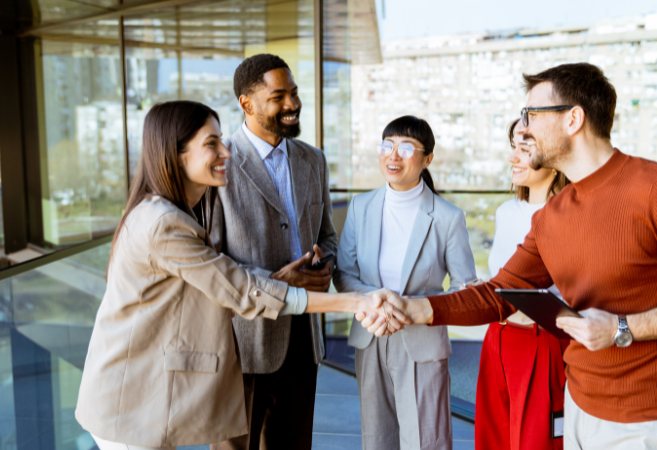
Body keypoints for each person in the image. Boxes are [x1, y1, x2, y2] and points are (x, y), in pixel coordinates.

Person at [361, 63, 657, 450]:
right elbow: (498, 292)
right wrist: (413, 308)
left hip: (647, 417)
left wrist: (622, 328)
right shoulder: (553, 216)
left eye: (531, 114)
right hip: (578, 404)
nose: (524, 128)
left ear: (573, 119)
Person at [75, 101, 390, 450]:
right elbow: (238, 287)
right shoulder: (164, 224)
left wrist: (283, 281)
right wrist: (355, 301)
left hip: (137, 397)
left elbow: (227, 280)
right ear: (175, 154)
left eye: (222, 140)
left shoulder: (167, 214)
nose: (226, 151)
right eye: (211, 143)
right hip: (130, 403)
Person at [209, 54, 336, 450]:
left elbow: (328, 235)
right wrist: (280, 281)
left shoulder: (313, 160)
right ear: (246, 104)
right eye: (278, 95)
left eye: (294, 93)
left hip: (303, 336)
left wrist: (324, 264)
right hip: (241, 341)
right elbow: (212, 261)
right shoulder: (218, 164)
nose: (292, 104)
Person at [334, 115, 477, 450]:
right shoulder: (361, 206)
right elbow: (343, 272)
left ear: (427, 159)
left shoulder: (447, 216)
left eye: (406, 147)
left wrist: (417, 310)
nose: (393, 155)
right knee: (377, 438)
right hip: (370, 335)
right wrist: (375, 304)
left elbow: (464, 288)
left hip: (422, 341)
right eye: (387, 144)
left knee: (426, 440)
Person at [475, 118, 569, 450]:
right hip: (497, 338)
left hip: (542, 342)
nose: (514, 158)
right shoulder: (504, 211)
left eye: (525, 150)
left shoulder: (569, 216)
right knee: (493, 438)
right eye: (513, 148)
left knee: (537, 442)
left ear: (554, 159)